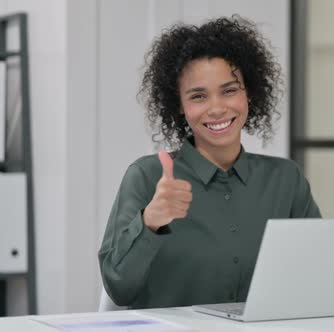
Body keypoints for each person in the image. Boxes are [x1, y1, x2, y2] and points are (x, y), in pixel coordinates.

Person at [98, 16, 321, 309]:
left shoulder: (285, 179)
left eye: (229, 90)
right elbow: (119, 289)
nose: (217, 108)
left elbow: (318, 273)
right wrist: (150, 222)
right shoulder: (146, 176)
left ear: (249, 93)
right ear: (179, 104)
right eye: (198, 96)